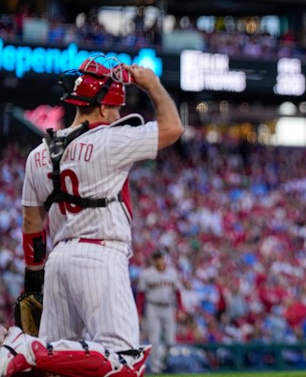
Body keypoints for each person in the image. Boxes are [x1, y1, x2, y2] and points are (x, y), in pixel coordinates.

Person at [0, 54, 183, 377]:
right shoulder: (109, 140)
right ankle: (25, 347)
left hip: (57, 263)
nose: (117, 115)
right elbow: (172, 128)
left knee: (58, 370)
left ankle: (29, 351)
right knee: (124, 360)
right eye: (115, 108)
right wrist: (152, 83)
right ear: (101, 108)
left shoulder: (38, 154)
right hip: (100, 254)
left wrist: (33, 282)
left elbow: (32, 224)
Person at [136, 250, 185, 374]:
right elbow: (141, 295)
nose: (159, 261)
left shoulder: (172, 273)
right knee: (154, 339)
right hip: (152, 307)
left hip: (168, 307)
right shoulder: (146, 274)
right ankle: (155, 368)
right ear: (153, 260)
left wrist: (181, 309)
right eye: (156, 258)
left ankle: (162, 362)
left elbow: (177, 292)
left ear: (164, 259)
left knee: (170, 341)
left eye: (160, 258)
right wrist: (139, 312)